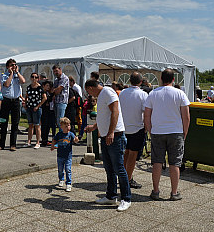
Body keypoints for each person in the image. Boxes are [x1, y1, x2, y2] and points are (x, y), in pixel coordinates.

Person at [84, 79, 131, 212]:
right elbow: (104, 116)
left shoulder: (108, 92)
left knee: (119, 168)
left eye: (88, 91)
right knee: (109, 168)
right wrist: (94, 127)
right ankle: (111, 195)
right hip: (106, 135)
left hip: (114, 136)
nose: (90, 94)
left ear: (91, 88)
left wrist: (111, 132)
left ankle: (126, 198)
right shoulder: (102, 95)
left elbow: (115, 112)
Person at [144, 68, 190, 201]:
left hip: (158, 132)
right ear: (173, 79)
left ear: (161, 79)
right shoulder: (180, 94)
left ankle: (156, 190)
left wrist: (150, 130)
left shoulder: (153, 94)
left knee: (157, 162)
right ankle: (174, 192)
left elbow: (147, 115)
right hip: (176, 132)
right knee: (175, 163)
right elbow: (186, 116)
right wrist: (184, 132)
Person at [119, 72, 149, 190]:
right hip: (137, 127)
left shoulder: (122, 93)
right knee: (133, 154)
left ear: (130, 81)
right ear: (141, 82)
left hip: (124, 127)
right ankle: (128, 179)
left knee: (126, 153)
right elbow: (145, 112)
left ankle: (124, 176)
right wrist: (147, 127)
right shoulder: (143, 94)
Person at [0, 58, 25, 151]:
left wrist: (17, 73)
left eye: (15, 65)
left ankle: (12, 144)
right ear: (7, 67)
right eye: (11, 65)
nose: (13, 66)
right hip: (6, 100)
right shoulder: (4, 75)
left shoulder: (18, 75)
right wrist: (11, 74)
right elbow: (6, 84)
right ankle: (1, 144)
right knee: (4, 123)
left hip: (16, 101)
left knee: (15, 123)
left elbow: (23, 81)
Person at [51, 117, 78, 192]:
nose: (68, 127)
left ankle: (68, 183)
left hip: (68, 156)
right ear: (61, 126)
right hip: (60, 155)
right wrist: (52, 146)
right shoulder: (59, 134)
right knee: (60, 169)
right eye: (66, 126)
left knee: (68, 169)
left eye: (69, 125)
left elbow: (75, 140)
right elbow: (54, 140)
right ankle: (61, 179)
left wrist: (76, 140)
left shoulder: (71, 134)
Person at [24, 72, 46, 149]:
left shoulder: (40, 88)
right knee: (30, 125)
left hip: (36, 108)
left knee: (37, 125)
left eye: (36, 77)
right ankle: (29, 141)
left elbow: (44, 98)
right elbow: (26, 96)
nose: (34, 79)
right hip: (29, 107)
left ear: (38, 79)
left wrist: (38, 106)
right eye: (32, 77)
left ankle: (37, 142)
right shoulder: (29, 87)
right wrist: (25, 103)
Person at [40, 80, 56, 147]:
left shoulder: (47, 92)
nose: (48, 87)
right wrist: (52, 95)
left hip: (49, 110)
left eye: (49, 86)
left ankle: (46, 139)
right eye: (47, 86)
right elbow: (47, 99)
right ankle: (44, 140)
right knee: (44, 125)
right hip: (44, 110)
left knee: (48, 125)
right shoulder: (43, 92)